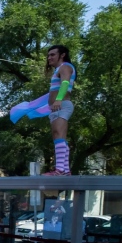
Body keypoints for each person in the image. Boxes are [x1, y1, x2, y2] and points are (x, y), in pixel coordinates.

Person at [43, 44, 75, 176]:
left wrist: (58, 99)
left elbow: (65, 83)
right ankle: (65, 170)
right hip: (56, 107)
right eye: (48, 55)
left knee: (59, 135)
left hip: (62, 105)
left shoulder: (65, 67)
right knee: (58, 136)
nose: (49, 58)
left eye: (52, 55)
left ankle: (60, 170)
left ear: (62, 55)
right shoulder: (59, 69)